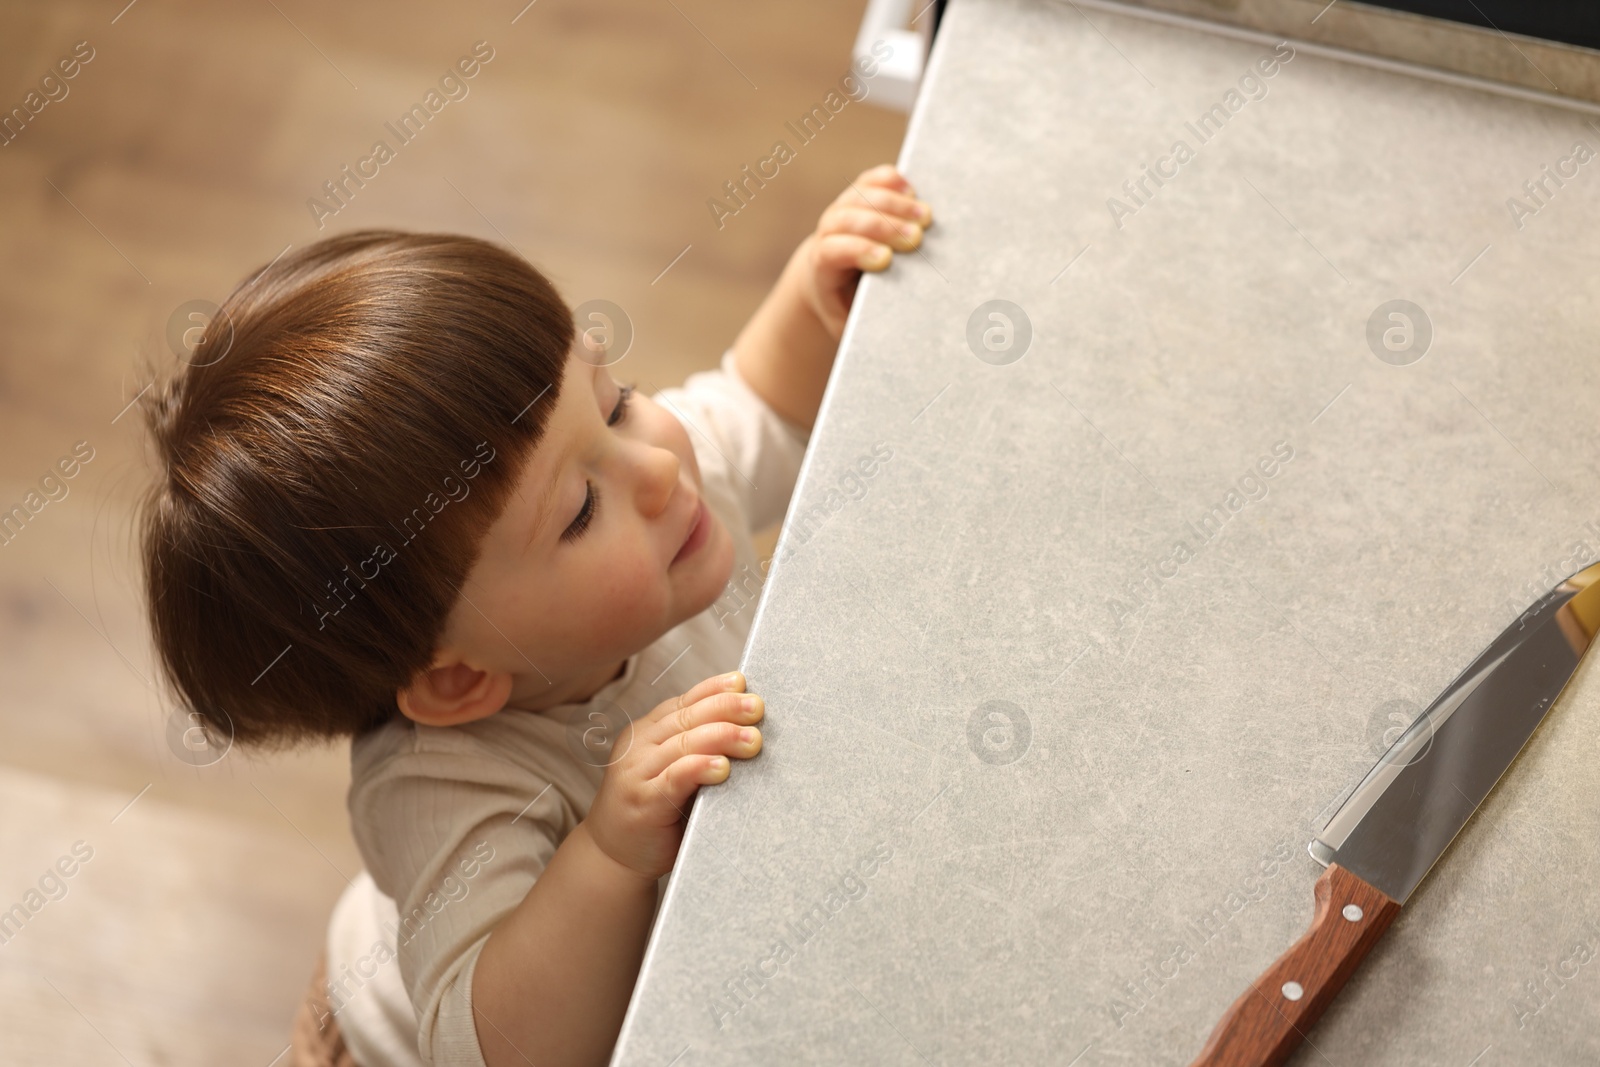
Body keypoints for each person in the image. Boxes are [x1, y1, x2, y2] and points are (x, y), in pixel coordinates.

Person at [140, 165, 932, 1067]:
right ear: (461, 677)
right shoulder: (440, 787)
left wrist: (813, 294)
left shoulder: (650, 489)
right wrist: (608, 855)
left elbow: (760, 409)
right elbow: (503, 1051)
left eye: (617, 400)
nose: (660, 465)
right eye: (582, 512)